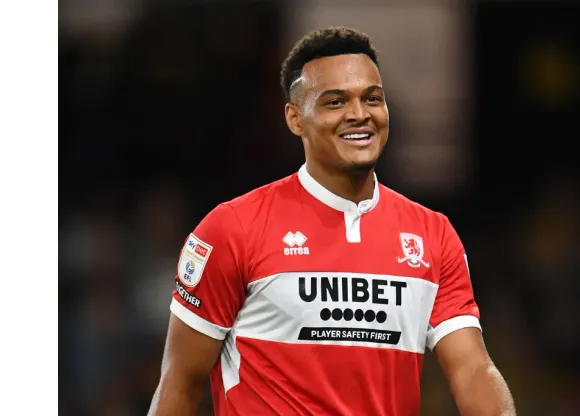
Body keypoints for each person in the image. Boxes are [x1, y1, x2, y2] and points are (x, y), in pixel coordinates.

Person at [148, 26, 516, 416]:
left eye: (372, 99)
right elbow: (180, 385)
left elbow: (473, 369)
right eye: (335, 102)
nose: (359, 114)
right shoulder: (232, 228)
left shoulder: (432, 234)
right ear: (295, 119)